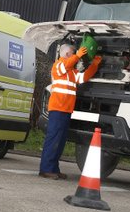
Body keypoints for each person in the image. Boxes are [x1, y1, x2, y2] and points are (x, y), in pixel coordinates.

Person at [39, 43, 101, 180]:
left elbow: (84, 77)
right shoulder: (58, 66)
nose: (76, 57)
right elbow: (66, 65)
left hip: (66, 110)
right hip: (57, 109)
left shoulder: (71, 72)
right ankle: (46, 169)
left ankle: (53, 168)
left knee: (59, 141)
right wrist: (78, 56)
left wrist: (94, 65)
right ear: (67, 54)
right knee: (53, 139)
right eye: (73, 54)